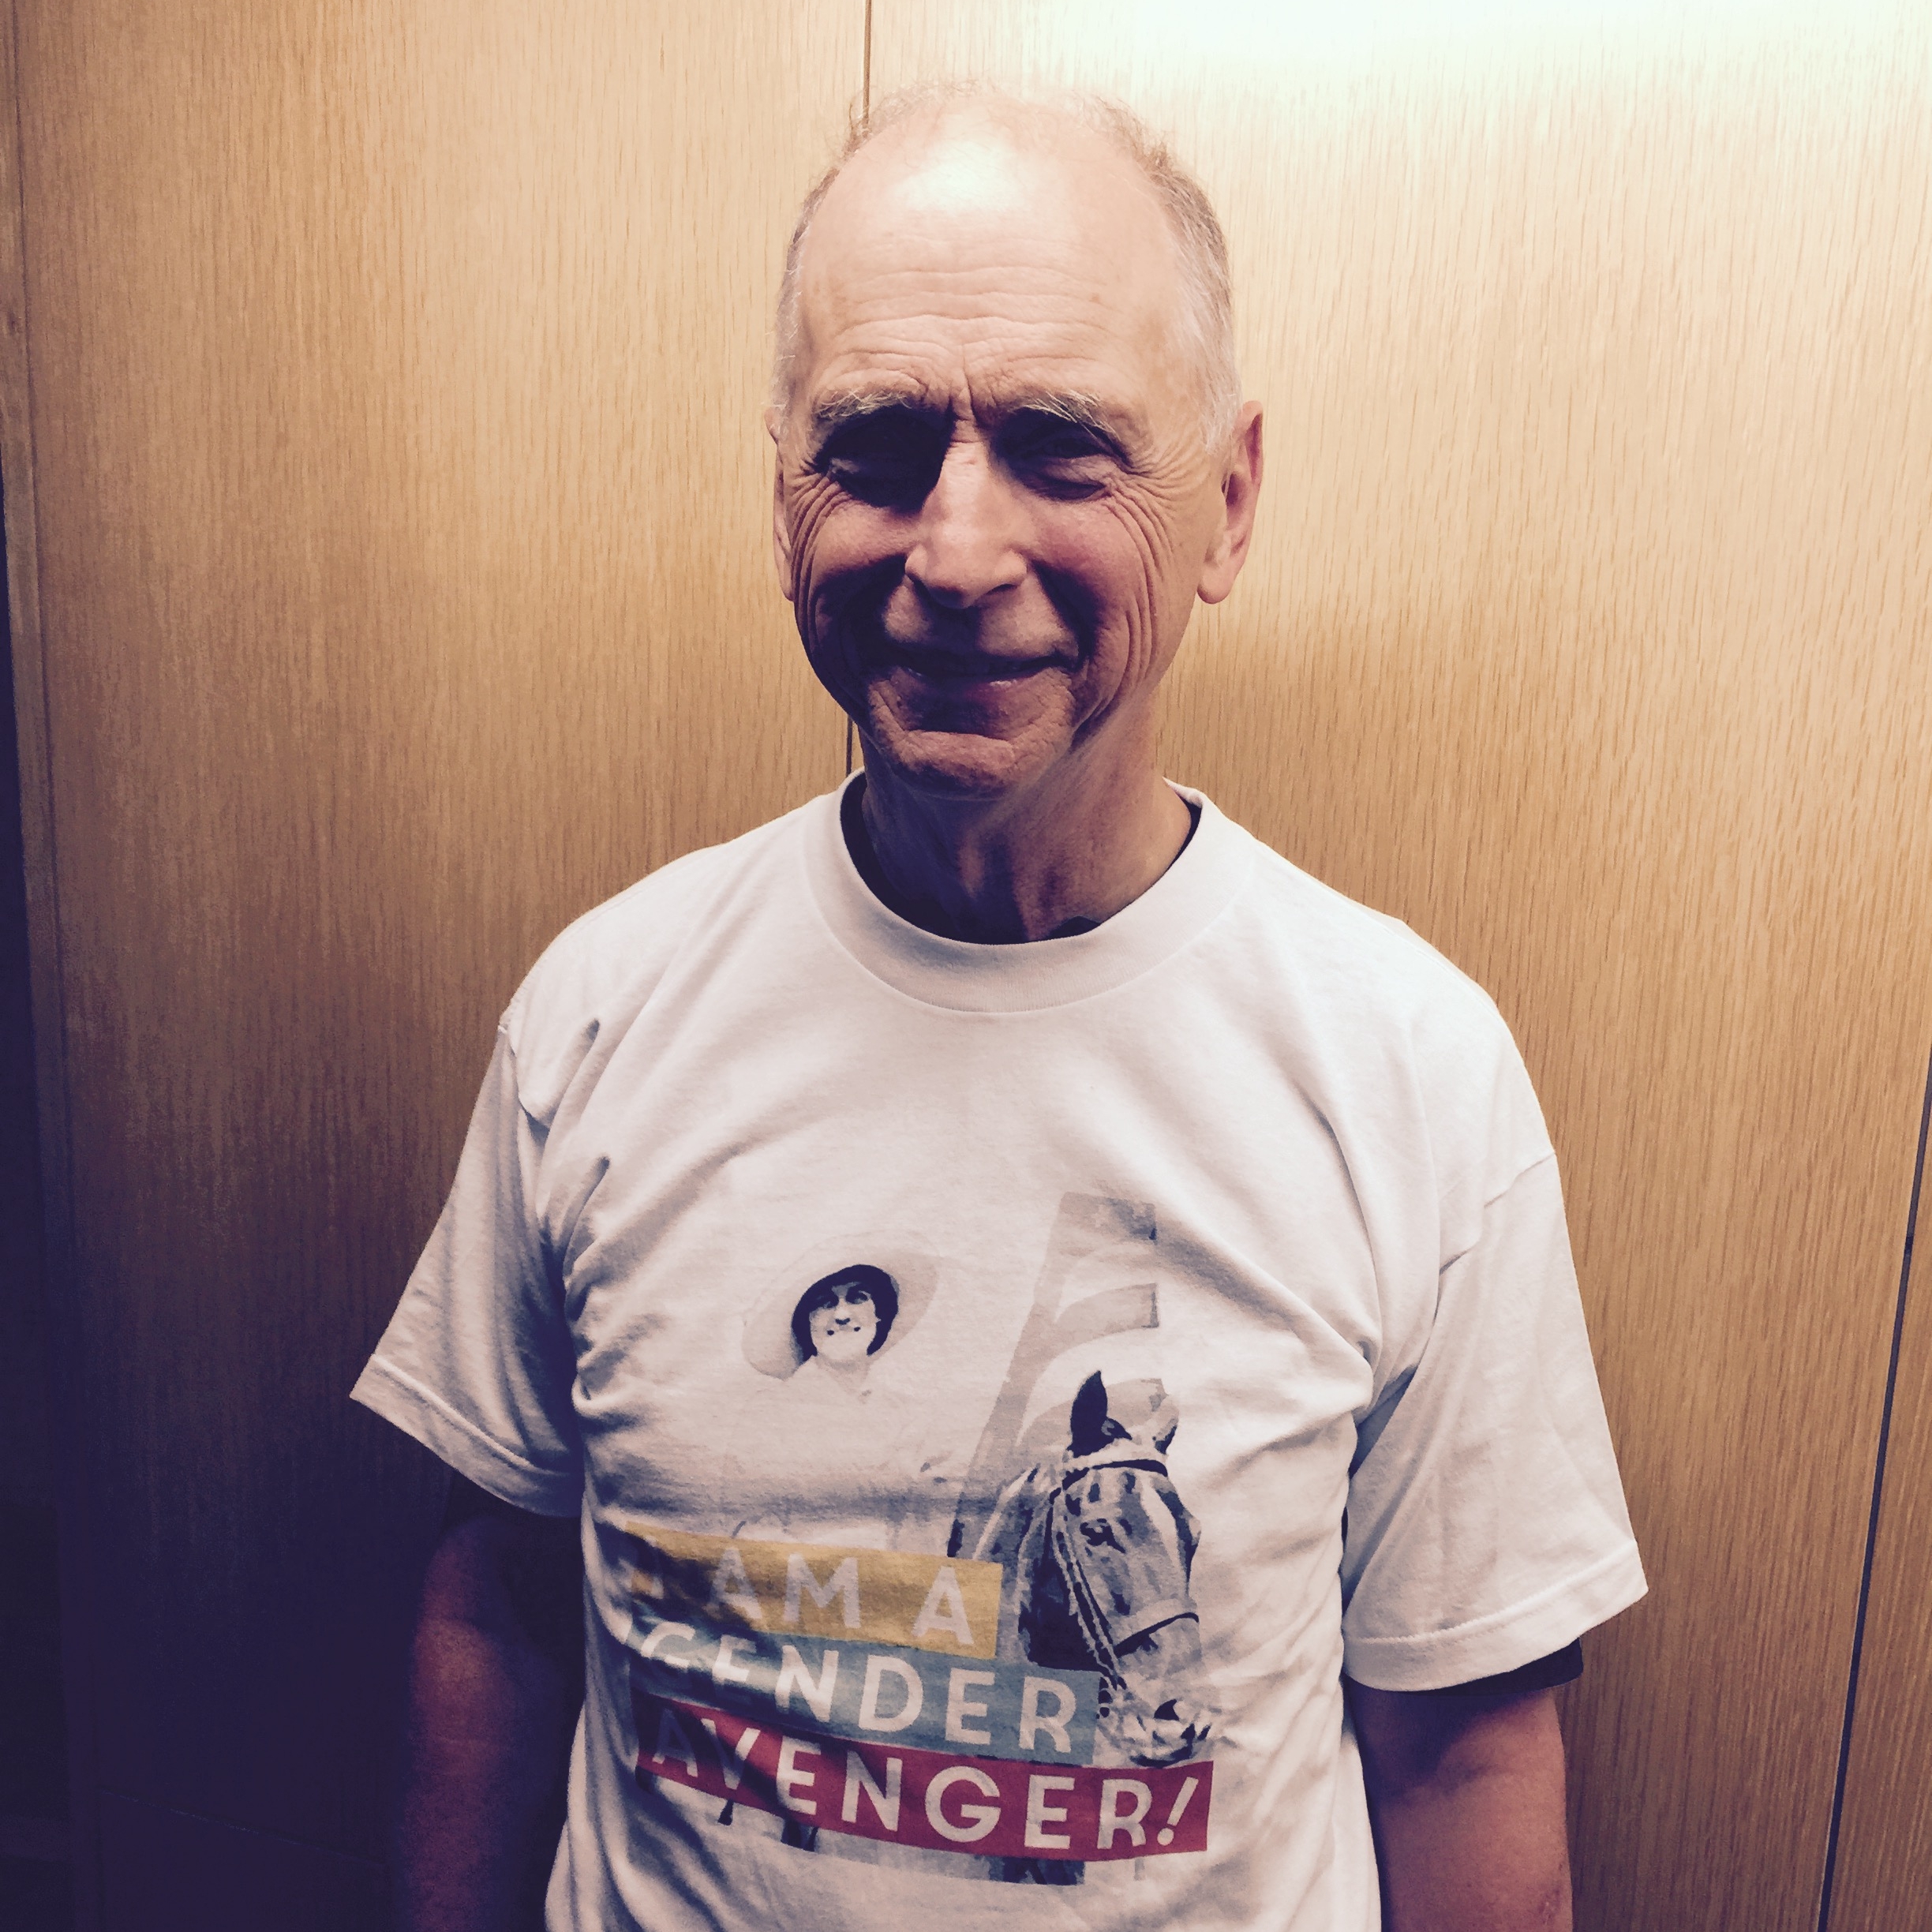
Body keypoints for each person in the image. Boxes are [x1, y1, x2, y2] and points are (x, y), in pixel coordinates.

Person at [354, 84, 1645, 1932]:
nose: (956, 555)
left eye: (1060, 445)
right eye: (876, 448)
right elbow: (496, 1610)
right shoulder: (600, 1014)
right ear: (783, 495)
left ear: (1228, 502)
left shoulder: (1413, 1072)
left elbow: (1465, 1758)